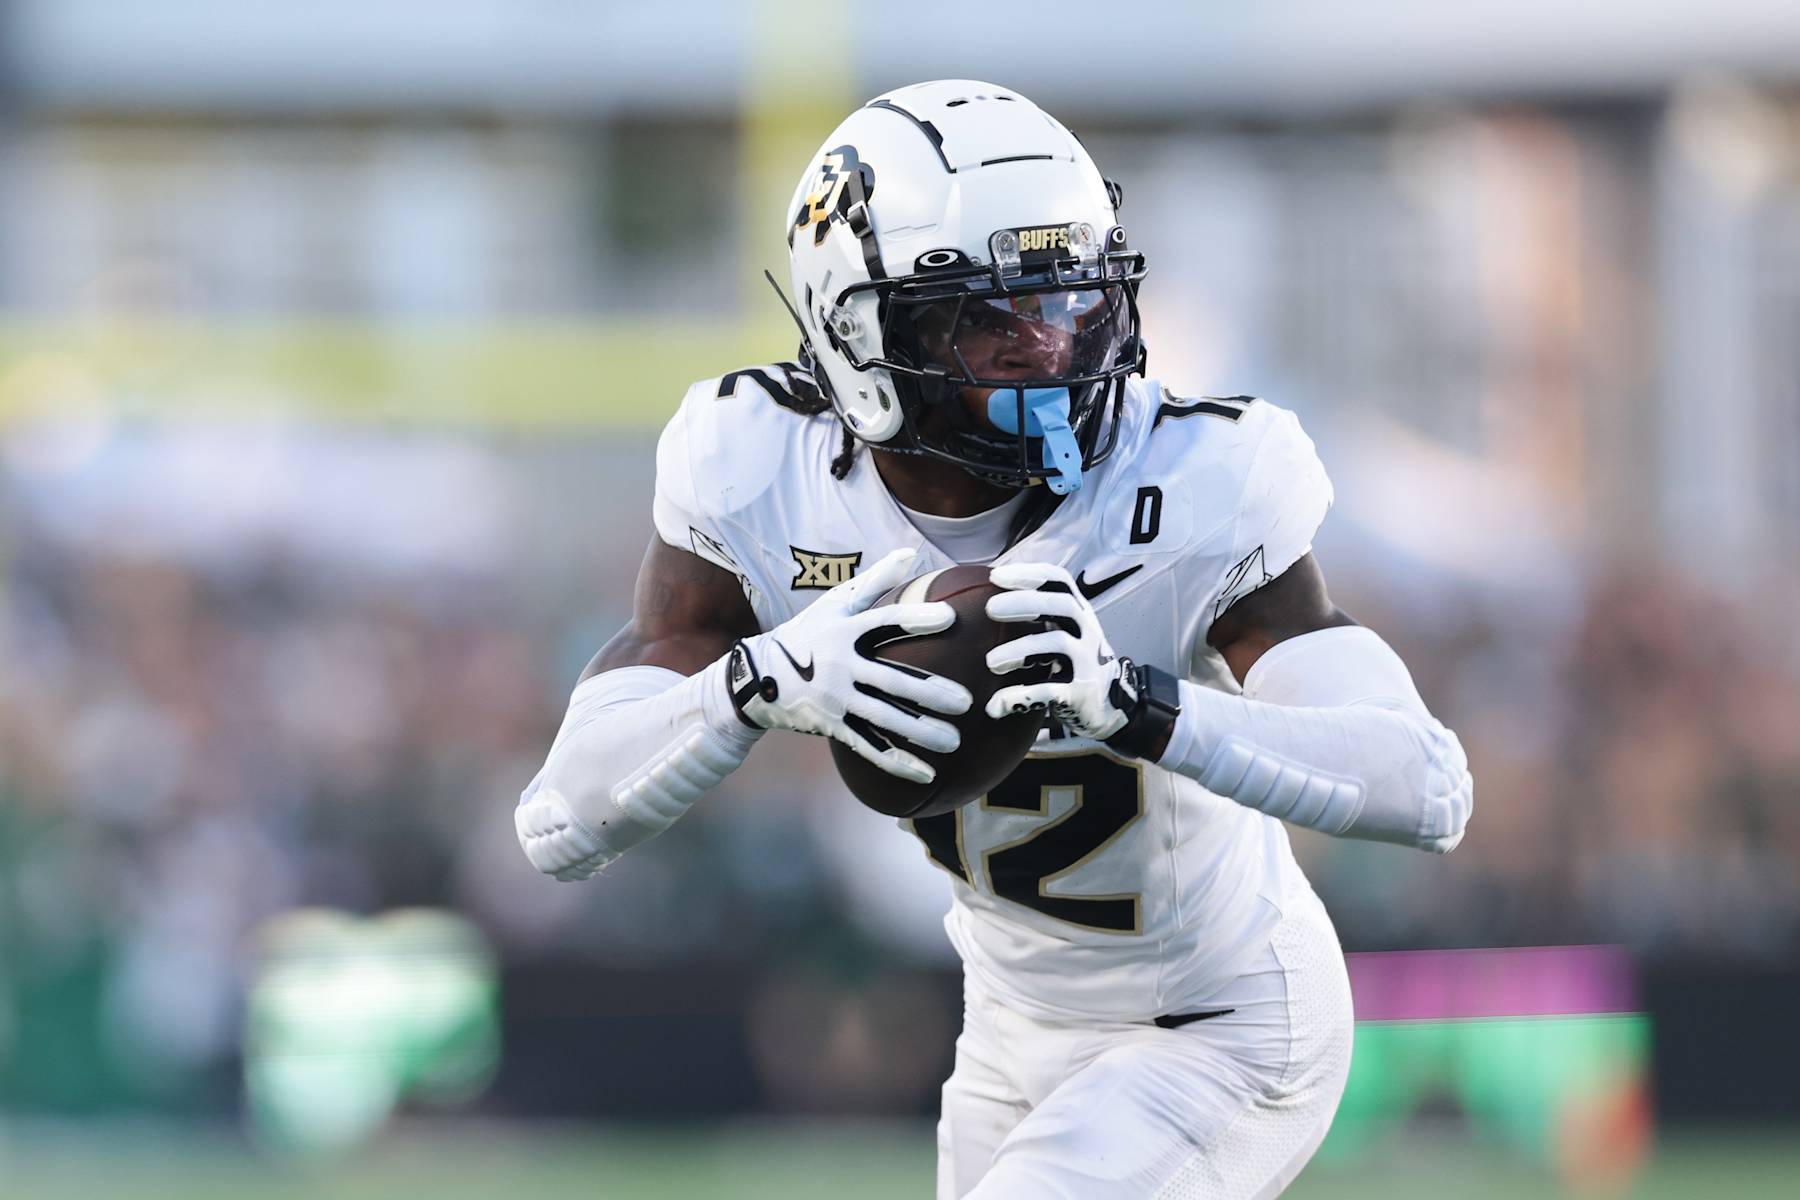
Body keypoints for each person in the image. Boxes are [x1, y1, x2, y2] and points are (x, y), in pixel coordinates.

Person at [515, 79, 1473, 1199]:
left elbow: (1426, 786)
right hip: (1012, 1029)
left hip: (1220, 1024)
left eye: (1068, 298)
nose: (1048, 348)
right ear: (861, 331)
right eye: (987, 315)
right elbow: (557, 821)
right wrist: (758, 683)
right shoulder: (754, 469)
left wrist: (1136, 704)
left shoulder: (1192, 485)